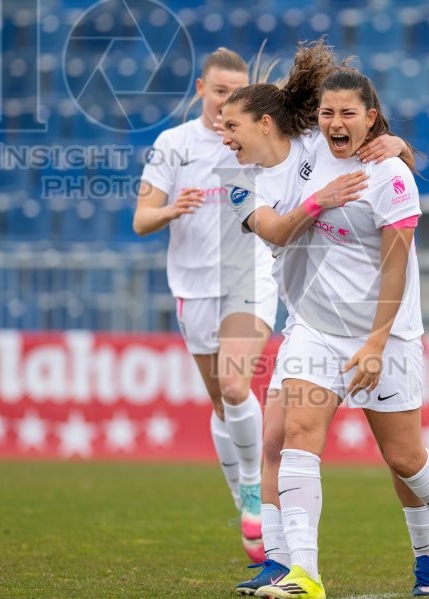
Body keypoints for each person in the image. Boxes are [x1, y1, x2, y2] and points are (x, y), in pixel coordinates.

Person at [248, 68, 429, 599]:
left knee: (406, 459)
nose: (336, 122)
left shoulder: (390, 175)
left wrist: (377, 341)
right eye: (328, 112)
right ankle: (304, 575)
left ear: (370, 118)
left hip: (387, 333)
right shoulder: (308, 151)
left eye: (348, 113)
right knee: (299, 436)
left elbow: (396, 266)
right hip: (315, 329)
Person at [134, 48, 277, 562]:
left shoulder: (258, 136)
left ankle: (256, 491)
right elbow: (141, 219)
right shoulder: (173, 146)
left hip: (250, 277)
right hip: (193, 287)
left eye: (236, 95)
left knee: (237, 384)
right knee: (221, 401)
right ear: (200, 89)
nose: (226, 104)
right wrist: (174, 207)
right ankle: (243, 497)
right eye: (219, 93)